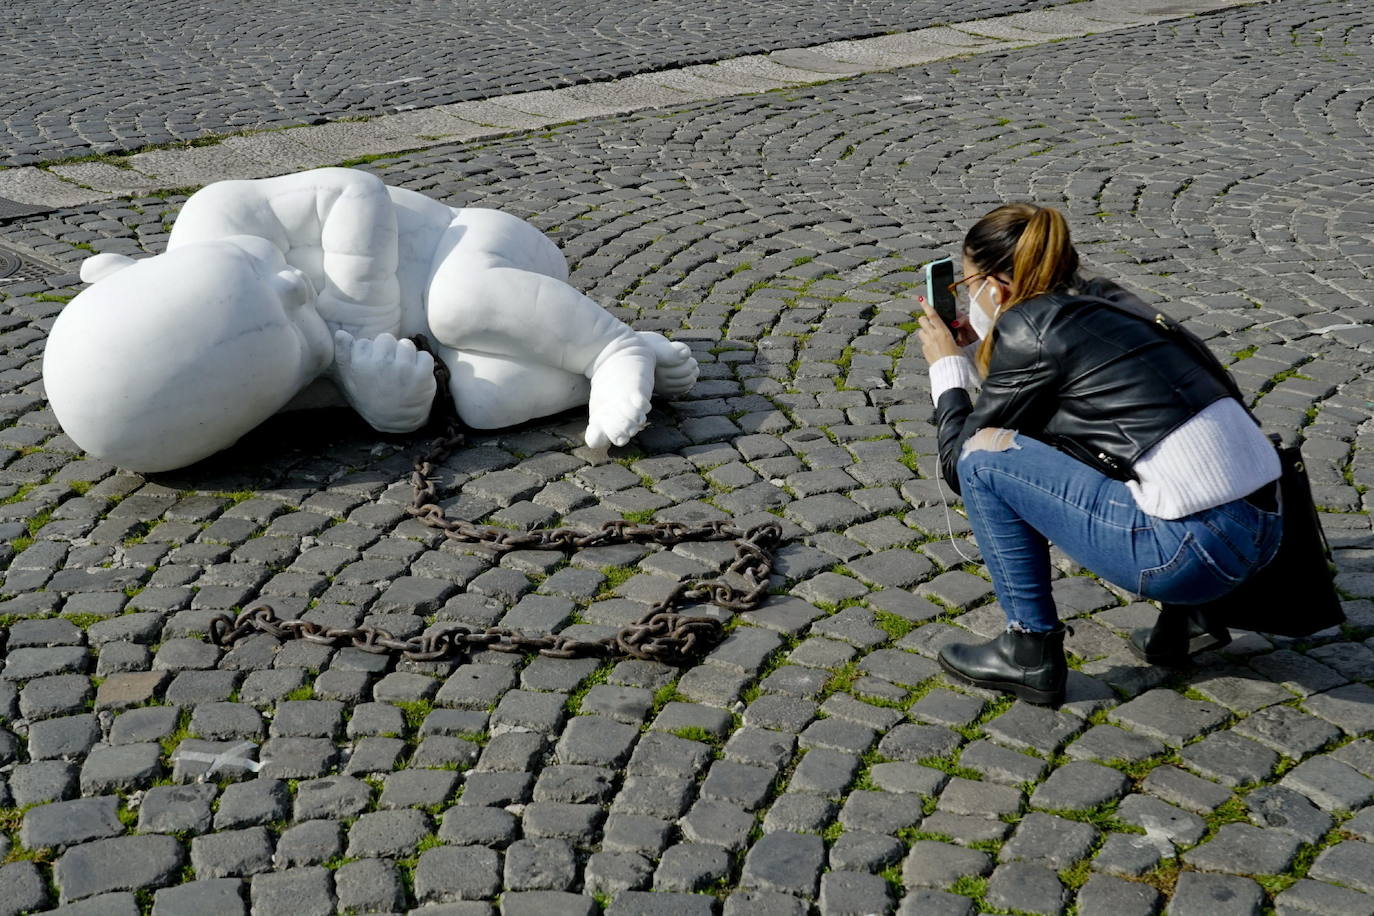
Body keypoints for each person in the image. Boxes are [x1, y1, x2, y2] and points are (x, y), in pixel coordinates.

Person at [42, 167, 698, 472]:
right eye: (294, 329)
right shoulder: (254, 378)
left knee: (457, 302)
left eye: (257, 271)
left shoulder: (222, 217)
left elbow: (352, 191)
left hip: (471, 248)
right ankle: (605, 364)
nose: (296, 284)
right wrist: (386, 403)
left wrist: (360, 325)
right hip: (461, 347)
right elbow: (353, 395)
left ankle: (609, 349)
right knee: (484, 403)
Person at [916, 203, 1282, 705]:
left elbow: (962, 460)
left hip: (1190, 555)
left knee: (985, 460)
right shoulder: (1107, 301)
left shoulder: (1030, 328)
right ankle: (1192, 618)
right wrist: (991, 345)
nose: (965, 295)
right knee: (1126, 451)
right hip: (1268, 531)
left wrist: (948, 372)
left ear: (995, 285)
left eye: (965, 284)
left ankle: (1028, 650)